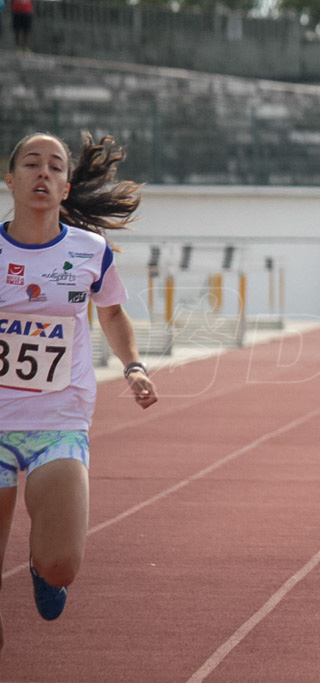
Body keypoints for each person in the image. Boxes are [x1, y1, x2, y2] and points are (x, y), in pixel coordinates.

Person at [0, 132, 157, 655]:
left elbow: (111, 313)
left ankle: (44, 572)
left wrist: (132, 366)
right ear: (11, 178)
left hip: (59, 421)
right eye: (31, 163)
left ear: (66, 187)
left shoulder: (90, 252)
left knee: (63, 561)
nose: (42, 173)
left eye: (54, 167)